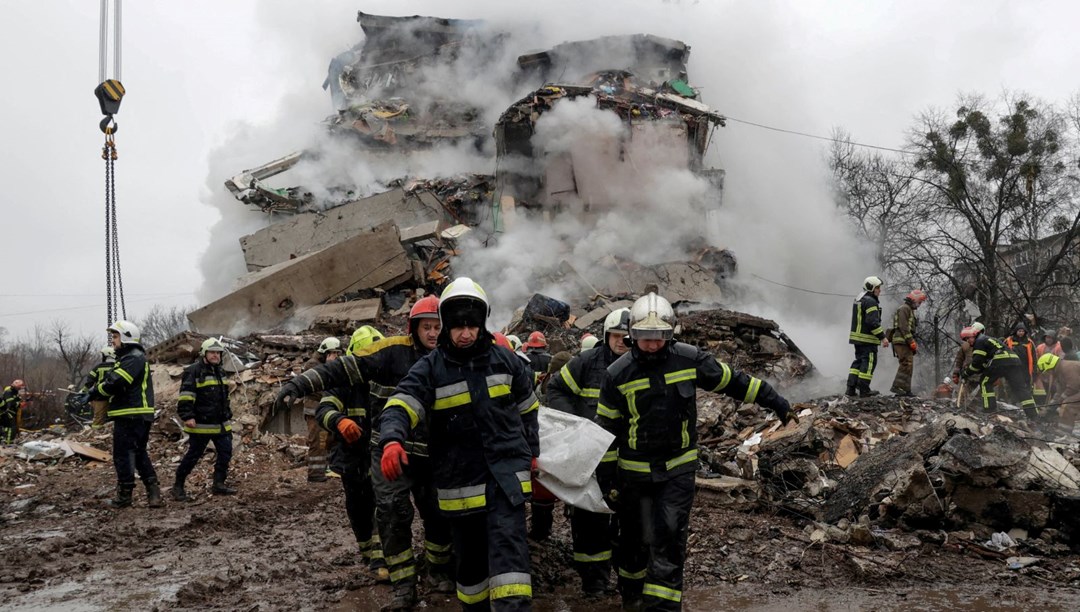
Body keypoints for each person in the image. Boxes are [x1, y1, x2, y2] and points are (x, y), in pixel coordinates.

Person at [596, 293, 795, 611]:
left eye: (659, 337)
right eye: (645, 338)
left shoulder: (690, 360)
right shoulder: (617, 375)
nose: (652, 345)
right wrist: (608, 483)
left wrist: (775, 399)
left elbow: (734, 382)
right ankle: (631, 596)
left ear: (670, 333)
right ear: (633, 334)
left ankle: (662, 607)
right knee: (634, 540)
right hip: (633, 473)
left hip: (678, 468)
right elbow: (605, 433)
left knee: (670, 535)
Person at [276, 299, 453, 609]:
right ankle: (403, 584)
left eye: (438, 327)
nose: (433, 333)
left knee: (438, 514)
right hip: (388, 451)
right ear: (414, 328)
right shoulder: (391, 352)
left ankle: (439, 572)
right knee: (392, 514)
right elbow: (340, 369)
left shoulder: (453, 357)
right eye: (427, 327)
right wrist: (299, 384)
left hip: (433, 454)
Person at [380, 277, 539, 612]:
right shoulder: (430, 369)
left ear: (482, 324)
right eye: (457, 327)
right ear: (446, 327)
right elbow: (402, 403)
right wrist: (392, 440)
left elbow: (529, 410)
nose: (465, 334)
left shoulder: (506, 361)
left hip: (505, 479)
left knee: (511, 565)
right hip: (460, 484)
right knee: (470, 573)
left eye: (472, 326)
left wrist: (533, 453)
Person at [545, 307, 631, 596]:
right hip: (591, 463)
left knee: (629, 525)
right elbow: (555, 390)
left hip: (628, 464)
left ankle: (626, 581)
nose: (621, 342)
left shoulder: (642, 364)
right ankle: (593, 584)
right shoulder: (587, 362)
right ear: (606, 335)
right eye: (616, 335)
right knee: (588, 524)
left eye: (627, 337)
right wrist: (577, 426)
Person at [89, 320, 163, 509]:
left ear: (126, 337)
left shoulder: (133, 357)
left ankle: (125, 496)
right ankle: (154, 494)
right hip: (137, 413)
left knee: (123, 454)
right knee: (139, 453)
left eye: (115, 336)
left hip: (130, 413)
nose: (113, 341)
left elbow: (116, 382)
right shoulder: (132, 357)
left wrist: (95, 392)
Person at [171, 339, 236, 500]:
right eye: (212, 352)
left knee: (225, 453)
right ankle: (178, 486)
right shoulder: (194, 371)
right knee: (193, 455)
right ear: (204, 353)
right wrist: (187, 416)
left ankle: (219, 484)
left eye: (218, 353)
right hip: (200, 423)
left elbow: (224, 396)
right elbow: (186, 395)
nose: (215, 355)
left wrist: (227, 413)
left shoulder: (220, 371)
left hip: (221, 423)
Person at [961, 326, 1039, 419]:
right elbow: (983, 364)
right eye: (965, 339)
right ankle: (1033, 415)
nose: (968, 341)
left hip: (1000, 361)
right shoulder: (988, 339)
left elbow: (977, 363)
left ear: (974, 335)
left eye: (968, 338)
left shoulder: (979, 342)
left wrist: (965, 373)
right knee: (1020, 388)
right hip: (1014, 361)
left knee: (985, 382)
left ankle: (989, 410)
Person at [304, 337, 344, 482]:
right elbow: (318, 387)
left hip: (325, 410)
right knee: (318, 442)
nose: (336, 357)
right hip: (314, 410)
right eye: (334, 353)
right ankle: (315, 473)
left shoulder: (328, 365)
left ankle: (327, 468)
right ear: (326, 353)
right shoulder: (312, 366)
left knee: (329, 440)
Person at [847, 276, 888, 397]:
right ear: (872, 288)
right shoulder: (871, 301)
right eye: (878, 288)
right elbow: (872, 322)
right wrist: (883, 337)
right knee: (869, 363)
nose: (879, 290)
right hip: (867, 340)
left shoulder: (859, 299)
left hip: (858, 339)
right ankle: (864, 390)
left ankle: (850, 389)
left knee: (858, 363)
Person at [889, 289, 927, 396]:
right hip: (902, 341)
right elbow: (903, 326)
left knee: (909, 365)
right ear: (914, 299)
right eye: (919, 302)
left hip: (905, 341)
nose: (919, 305)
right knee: (905, 363)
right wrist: (911, 341)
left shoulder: (909, 310)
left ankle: (906, 390)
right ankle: (897, 387)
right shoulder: (904, 309)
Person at [1036, 353, 1080, 434]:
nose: (1049, 374)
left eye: (1048, 371)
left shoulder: (1067, 367)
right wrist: (1050, 407)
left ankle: (1064, 432)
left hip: (1077, 389)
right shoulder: (1060, 372)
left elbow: (1073, 387)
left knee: (1068, 404)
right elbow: (1059, 392)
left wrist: (1060, 400)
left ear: (1050, 366)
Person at [81, 347, 116, 430]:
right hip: (115, 397)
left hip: (99, 397)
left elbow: (90, 381)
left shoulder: (98, 367)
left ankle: (95, 435)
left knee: (98, 419)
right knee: (113, 418)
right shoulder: (118, 367)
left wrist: (84, 392)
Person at [1006, 322, 1038, 396]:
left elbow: (1034, 356)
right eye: (1019, 331)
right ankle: (1012, 401)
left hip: (1025, 368)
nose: (1021, 333)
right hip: (1012, 367)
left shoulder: (1029, 342)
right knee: (1012, 385)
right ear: (1016, 331)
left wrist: (1034, 368)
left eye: (1022, 331)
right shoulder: (1009, 341)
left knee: (1025, 386)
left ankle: (1024, 402)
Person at [0, 380, 26, 444]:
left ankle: (5, 440)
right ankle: (8, 442)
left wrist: (23, 401)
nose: (20, 389)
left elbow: (16, 399)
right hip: (7, 412)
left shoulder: (14, 392)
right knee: (11, 427)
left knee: (8, 427)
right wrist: (20, 404)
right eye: (19, 387)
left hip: (10, 412)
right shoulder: (9, 392)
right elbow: (10, 404)